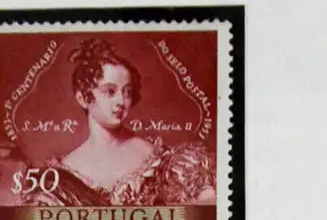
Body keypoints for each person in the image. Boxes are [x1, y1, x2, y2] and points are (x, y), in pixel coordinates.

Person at [49, 37, 216, 209]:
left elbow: (206, 212)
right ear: (83, 98)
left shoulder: (155, 157)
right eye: (110, 91)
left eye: (127, 92)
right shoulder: (66, 171)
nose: (121, 101)